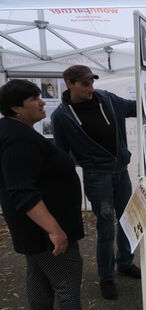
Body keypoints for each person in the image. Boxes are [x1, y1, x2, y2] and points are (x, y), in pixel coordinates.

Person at [51, 65, 139, 300]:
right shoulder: (61, 116)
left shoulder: (108, 99)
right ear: (70, 83)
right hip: (97, 177)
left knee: (128, 220)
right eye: (85, 84)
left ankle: (125, 263)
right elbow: (62, 152)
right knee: (106, 226)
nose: (91, 88)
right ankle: (106, 277)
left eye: (92, 82)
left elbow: (136, 108)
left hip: (121, 171)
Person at [0, 79, 84, 309]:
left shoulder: (16, 131)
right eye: (34, 99)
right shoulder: (18, 139)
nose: (41, 102)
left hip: (37, 229)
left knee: (39, 278)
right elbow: (22, 191)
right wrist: (54, 230)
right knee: (67, 278)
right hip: (44, 230)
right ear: (16, 108)